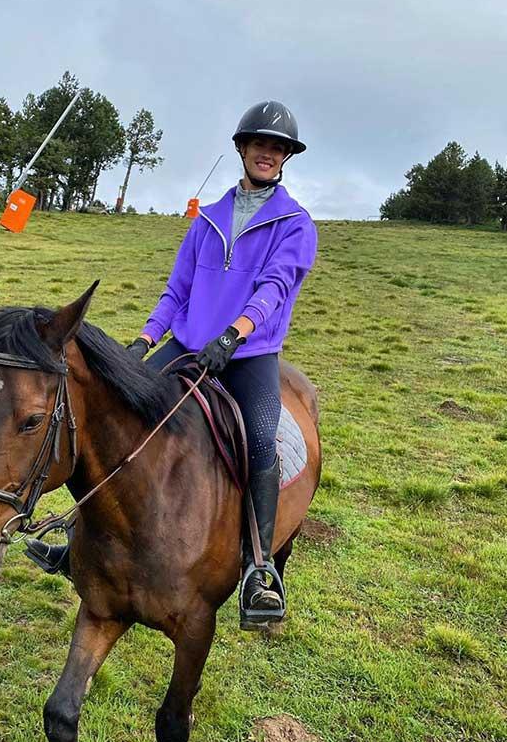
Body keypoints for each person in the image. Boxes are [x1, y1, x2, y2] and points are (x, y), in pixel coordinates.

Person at [26, 100, 317, 629]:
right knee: (114, 417)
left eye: (278, 148)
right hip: (186, 344)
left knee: (257, 437)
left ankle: (258, 569)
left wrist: (235, 334)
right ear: (243, 149)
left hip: (248, 353)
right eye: (260, 145)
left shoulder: (295, 225)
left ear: (286, 158)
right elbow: (177, 291)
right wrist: (143, 341)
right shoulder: (207, 220)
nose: (267, 154)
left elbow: (276, 288)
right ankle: (75, 538)